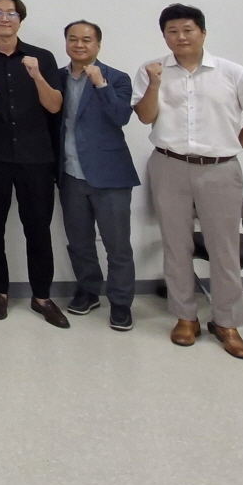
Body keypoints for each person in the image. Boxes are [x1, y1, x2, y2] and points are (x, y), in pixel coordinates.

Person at [133, 3, 243, 359]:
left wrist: (229, 146)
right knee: (176, 245)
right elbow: (145, 117)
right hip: (168, 164)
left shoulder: (233, 72)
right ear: (164, 36)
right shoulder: (152, 70)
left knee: (224, 249)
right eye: (172, 31)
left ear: (202, 32)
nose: (180, 37)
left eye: (187, 30)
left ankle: (227, 322)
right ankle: (185, 317)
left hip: (219, 170)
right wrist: (154, 84)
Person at [0, 0, 69, 328]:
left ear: (20, 19)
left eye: (11, 13)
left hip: (36, 157)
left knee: (38, 228)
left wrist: (37, 76)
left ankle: (42, 296)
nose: (4, 18)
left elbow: (54, 106)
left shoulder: (42, 57)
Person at [57, 20, 141, 331]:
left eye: (86, 39)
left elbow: (121, 117)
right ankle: (88, 290)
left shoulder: (117, 77)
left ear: (98, 44)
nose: (79, 45)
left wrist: (101, 85)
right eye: (73, 39)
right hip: (70, 174)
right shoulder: (57, 77)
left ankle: (121, 303)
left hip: (110, 176)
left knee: (117, 245)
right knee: (79, 242)